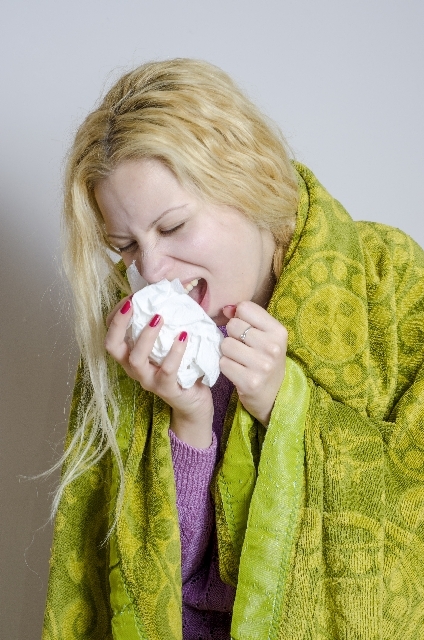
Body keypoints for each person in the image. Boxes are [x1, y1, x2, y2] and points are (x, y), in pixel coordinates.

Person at [43, 59, 424, 640]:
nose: (152, 269)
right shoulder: (135, 334)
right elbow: (157, 593)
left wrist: (285, 406)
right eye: (127, 246)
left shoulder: (391, 283)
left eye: (172, 227)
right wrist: (189, 421)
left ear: (248, 182)